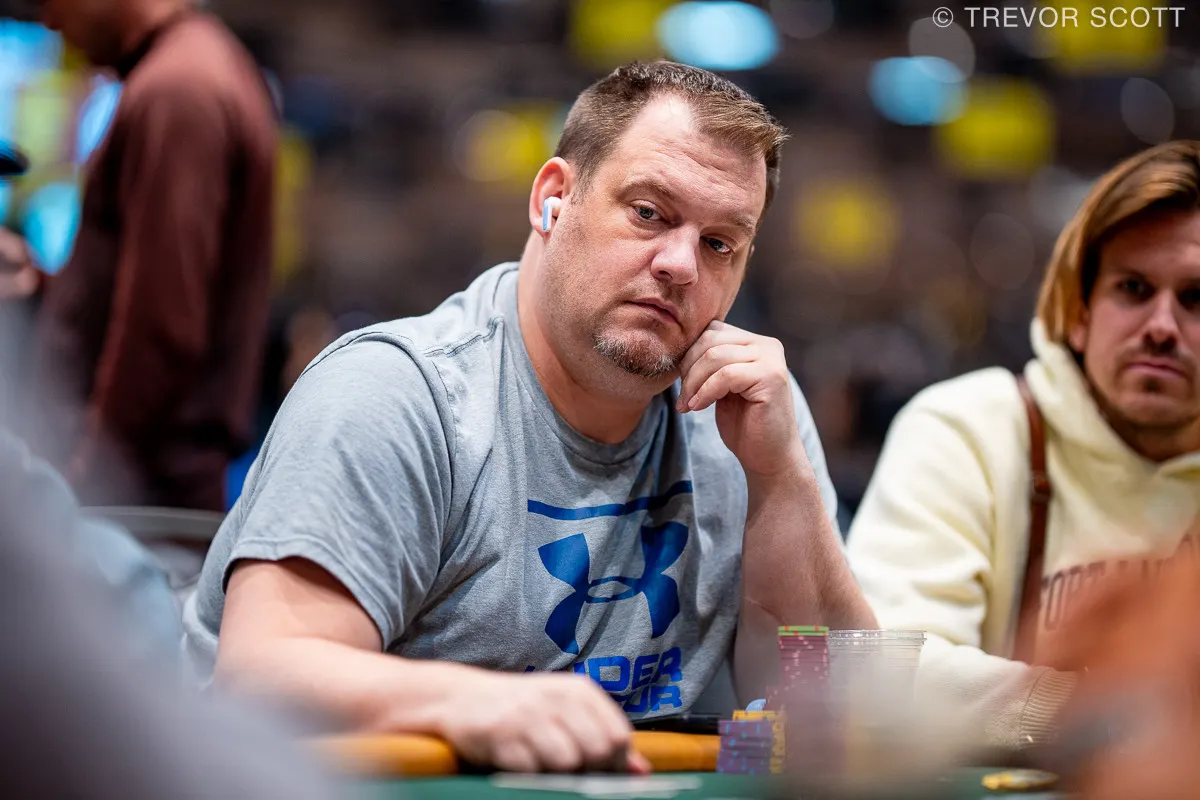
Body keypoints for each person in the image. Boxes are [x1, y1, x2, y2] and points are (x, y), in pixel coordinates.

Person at [184, 61, 876, 774]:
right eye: (649, 212)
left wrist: (782, 478)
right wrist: (478, 704)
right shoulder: (394, 397)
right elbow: (259, 679)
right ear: (553, 199)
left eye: (719, 243)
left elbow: (843, 716)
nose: (681, 264)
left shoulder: (749, 418)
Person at [847, 141, 1200, 750]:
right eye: (1133, 288)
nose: (1162, 326)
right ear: (1079, 311)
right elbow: (889, 667)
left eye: (1196, 299)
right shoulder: (965, 430)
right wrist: (1103, 721)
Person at [28, 0, 278, 511]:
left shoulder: (178, 89)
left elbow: (162, 327)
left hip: (135, 510)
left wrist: (83, 490)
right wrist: (43, 286)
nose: (50, 22)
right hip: (137, 504)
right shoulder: (190, 66)